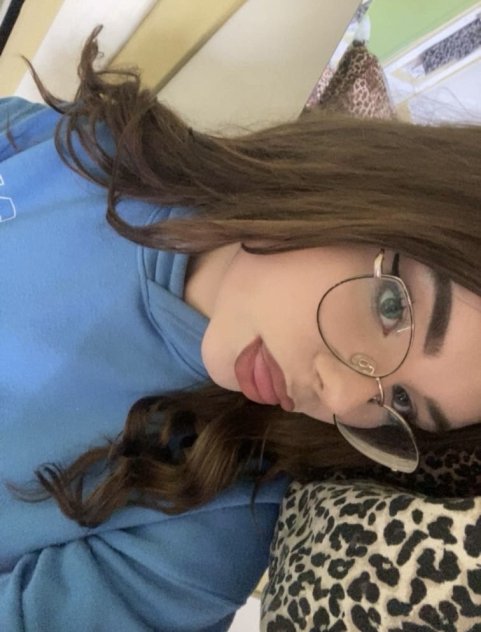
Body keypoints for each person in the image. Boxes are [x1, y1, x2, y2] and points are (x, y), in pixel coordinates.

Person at [1, 27, 480, 631]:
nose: (341, 396)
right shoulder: (106, 150)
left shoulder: (201, 532)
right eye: (392, 307)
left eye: (401, 404)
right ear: (358, 186)